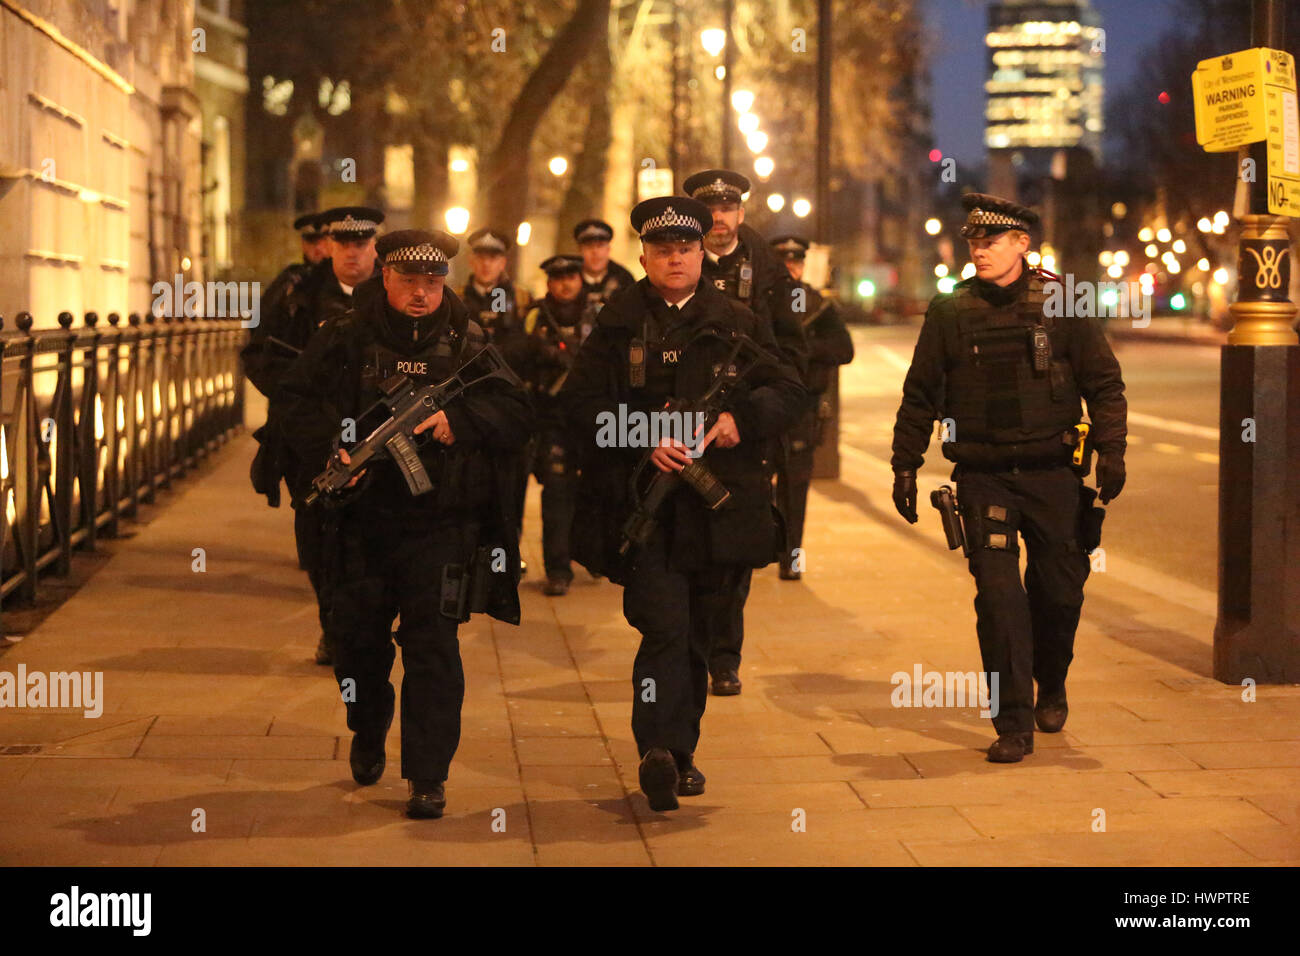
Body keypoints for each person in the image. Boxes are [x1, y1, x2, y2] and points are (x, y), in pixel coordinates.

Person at [278, 229, 534, 817]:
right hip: (362, 522)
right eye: (408, 281)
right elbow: (296, 401)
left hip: (441, 522)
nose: (421, 294)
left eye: (432, 281)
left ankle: (428, 775)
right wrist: (333, 450)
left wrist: (455, 422)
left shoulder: (469, 340)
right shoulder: (345, 336)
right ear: (384, 277)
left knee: (433, 647)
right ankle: (368, 729)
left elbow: (518, 413)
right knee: (358, 648)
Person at [561, 197, 805, 811]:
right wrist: (645, 435)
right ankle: (657, 751)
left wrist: (733, 420)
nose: (675, 258)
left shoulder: (738, 319)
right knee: (662, 627)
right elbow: (577, 411)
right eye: (663, 249)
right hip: (645, 512)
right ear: (642, 255)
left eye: (686, 248)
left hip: (715, 515)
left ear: (702, 253)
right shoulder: (618, 322)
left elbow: (789, 389)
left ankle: (683, 751)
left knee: (698, 633)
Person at [889, 193, 1127, 763]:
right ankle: (1012, 722)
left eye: (990, 241)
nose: (980, 251)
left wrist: (1112, 452)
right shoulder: (950, 312)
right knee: (998, 601)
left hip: (1053, 475)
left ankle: (1052, 680)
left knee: (1059, 594)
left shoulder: (1062, 303)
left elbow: (1104, 384)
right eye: (973, 242)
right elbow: (920, 393)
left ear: (1023, 243)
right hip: (984, 476)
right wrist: (905, 462)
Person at [242, 205, 385, 667]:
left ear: (374, 246)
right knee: (320, 541)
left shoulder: (397, 287)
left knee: (374, 540)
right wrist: (295, 397)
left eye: (361, 244)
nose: (350, 253)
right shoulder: (297, 292)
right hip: (310, 440)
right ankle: (334, 628)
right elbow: (258, 353)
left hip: (379, 437)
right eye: (343, 244)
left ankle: (367, 628)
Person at [681, 168, 794, 697]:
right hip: (684, 427)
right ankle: (690, 648)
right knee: (689, 544)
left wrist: (764, 411)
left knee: (740, 546)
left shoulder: (768, 272)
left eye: (729, 209)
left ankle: (724, 657)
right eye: (711, 211)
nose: (721, 219)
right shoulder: (680, 263)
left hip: (745, 430)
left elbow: (794, 354)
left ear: (741, 215)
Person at [768, 235, 855, 579]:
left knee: (795, 488)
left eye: (796, 262)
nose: (791, 268)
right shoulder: (762, 301)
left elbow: (843, 349)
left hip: (802, 408)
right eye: (784, 262)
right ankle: (765, 548)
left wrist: (803, 349)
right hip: (764, 406)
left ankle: (792, 559)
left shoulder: (816, 303)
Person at [513, 255, 595, 596]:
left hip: (589, 418)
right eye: (558, 277)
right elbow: (514, 355)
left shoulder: (599, 315)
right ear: (549, 282)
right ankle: (558, 569)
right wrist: (538, 350)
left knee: (593, 491)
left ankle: (593, 553)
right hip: (547, 417)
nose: (565, 284)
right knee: (556, 491)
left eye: (571, 276)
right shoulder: (534, 315)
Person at [574, 218, 636, 311]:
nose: (595, 252)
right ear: (579, 250)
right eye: (589, 246)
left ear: (608, 249)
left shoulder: (624, 279)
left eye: (600, 245)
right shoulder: (570, 277)